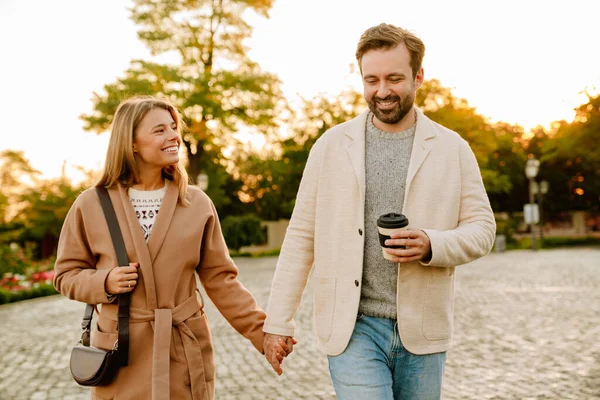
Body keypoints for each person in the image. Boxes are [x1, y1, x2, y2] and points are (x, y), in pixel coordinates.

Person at [262, 23, 496, 399]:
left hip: (423, 329)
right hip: (353, 329)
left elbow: (482, 229)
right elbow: (302, 235)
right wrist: (277, 321)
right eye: (371, 80)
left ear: (419, 76)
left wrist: (431, 244)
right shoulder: (330, 146)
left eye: (394, 78)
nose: (382, 91)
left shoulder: (453, 148)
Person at [54, 96, 285, 399]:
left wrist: (262, 332)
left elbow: (221, 279)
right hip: (122, 351)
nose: (174, 136)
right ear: (132, 142)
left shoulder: (197, 203)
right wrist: (105, 282)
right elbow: (65, 275)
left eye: (174, 127)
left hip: (183, 351)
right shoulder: (92, 203)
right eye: (159, 130)